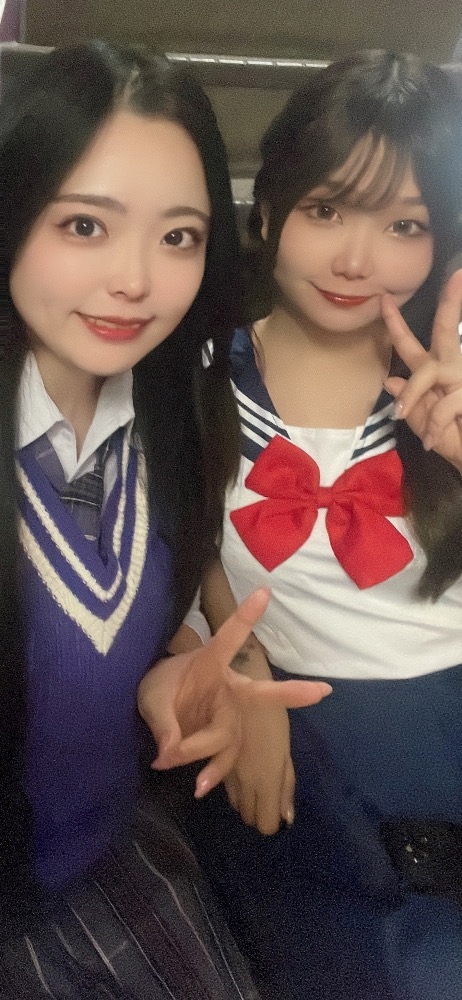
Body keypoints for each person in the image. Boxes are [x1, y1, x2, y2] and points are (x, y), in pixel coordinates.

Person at [0, 39, 330, 998]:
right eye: (85, 225)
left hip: (113, 854)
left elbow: (115, 619)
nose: (137, 280)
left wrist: (171, 671)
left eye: (179, 236)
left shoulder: (173, 417)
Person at [179, 51, 462, 1000]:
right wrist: (245, 669)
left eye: (405, 224)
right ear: (268, 212)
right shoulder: (194, 376)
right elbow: (173, 552)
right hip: (297, 761)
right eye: (328, 209)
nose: (357, 261)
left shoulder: (453, 387)